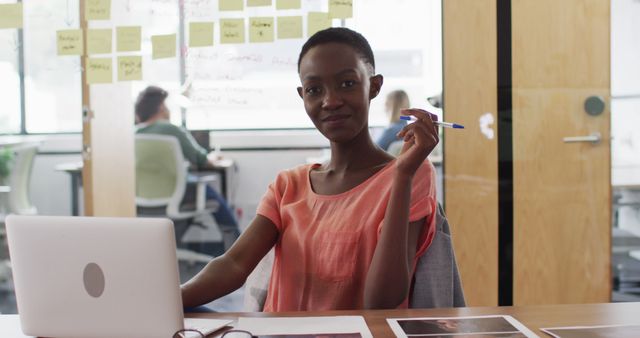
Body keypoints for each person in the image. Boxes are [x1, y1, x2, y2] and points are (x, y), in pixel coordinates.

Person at [181, 27, 439, 311]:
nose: (330, 101)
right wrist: (163, 299)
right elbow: (233, 264)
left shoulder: (410, 173)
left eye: (347, 83)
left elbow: (382, 301)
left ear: (374, 86)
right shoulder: (288, 185)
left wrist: (402, 176)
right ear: (302, 95)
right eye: (315, 90)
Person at [134, 86, 240, 249]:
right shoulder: (171, 130)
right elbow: (201, 159)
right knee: (212, 195)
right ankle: (236, 245)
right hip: (175, 196)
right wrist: (212, 157)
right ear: (161, 107)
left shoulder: (133, 134)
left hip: (140, 202)